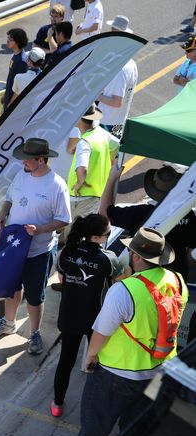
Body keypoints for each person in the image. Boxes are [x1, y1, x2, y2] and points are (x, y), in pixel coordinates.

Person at [74, 227, 187, 436]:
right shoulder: (177, 280)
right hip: (157, 371)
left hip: (115, 375)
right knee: (133, 433)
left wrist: (90, 356)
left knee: (93, 432)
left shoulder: (124, 290)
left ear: (135, 256)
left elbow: (102, 332)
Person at [0, 138, 71, 355]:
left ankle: (34, 333)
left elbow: (64, 219)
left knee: (34, 295)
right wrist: (2, 214)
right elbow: (8, 199)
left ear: (41, 160)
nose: (22, 163)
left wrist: (40, 230)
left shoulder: (57, 186)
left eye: (27, 159)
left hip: (38, 251)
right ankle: (8, 323)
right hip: (14, 247)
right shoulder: (21, 176)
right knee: (12, 288)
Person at [50, 213, 122, 418]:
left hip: (69, 315)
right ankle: (93, 410)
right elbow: (118, 281)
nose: (109, 236)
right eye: (108, 233)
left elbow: (63, 276)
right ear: (97, 237)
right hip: (96, 321)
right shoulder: (108, 258)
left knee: (66, 361)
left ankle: (57, 404)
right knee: (98, 364)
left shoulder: (66, 252)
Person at [99, 164, 196, 278]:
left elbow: (104, 215)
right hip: (174, 277)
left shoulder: (141, 213)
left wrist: (112, 179)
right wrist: (185, 275)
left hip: (142, 277)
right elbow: (191, 250)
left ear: (153, 186)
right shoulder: (187, 215)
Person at [66, 104, 118, 235]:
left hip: (81, 196)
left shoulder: (84, 142)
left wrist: (79, 184)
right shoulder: (102, 134)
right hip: (97, 193)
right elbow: (116, 146)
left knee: (74, 235)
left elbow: (82, 169)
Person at [97, 16, 138, 139]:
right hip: (119, 121)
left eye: (111, 31)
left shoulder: (120, 68)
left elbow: (116, 102)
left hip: (106, 122)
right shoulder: (131, 63)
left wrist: (96, 95)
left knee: (104, 155)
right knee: (113, 154)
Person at [3, 28, 28, 110]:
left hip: (12, 102)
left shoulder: (21, 61)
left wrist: (11, 103)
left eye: (10, 40)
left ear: (17, 42)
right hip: (8, 95)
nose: (7, 41)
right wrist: (5, 95)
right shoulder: (16, 56)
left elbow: (20, 86)